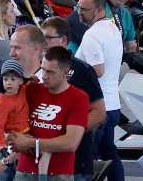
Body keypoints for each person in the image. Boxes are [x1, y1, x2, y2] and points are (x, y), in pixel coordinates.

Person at [11, 46, 92, 177]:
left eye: (50, 72)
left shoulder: (78, 98)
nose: (44, 76)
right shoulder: (32, 90)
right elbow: (7, 117)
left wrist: (31, 143)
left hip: (58, 174)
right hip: (25, 170)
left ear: (65, 71)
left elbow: (70, 143)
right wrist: (21, 84)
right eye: (42, 69)